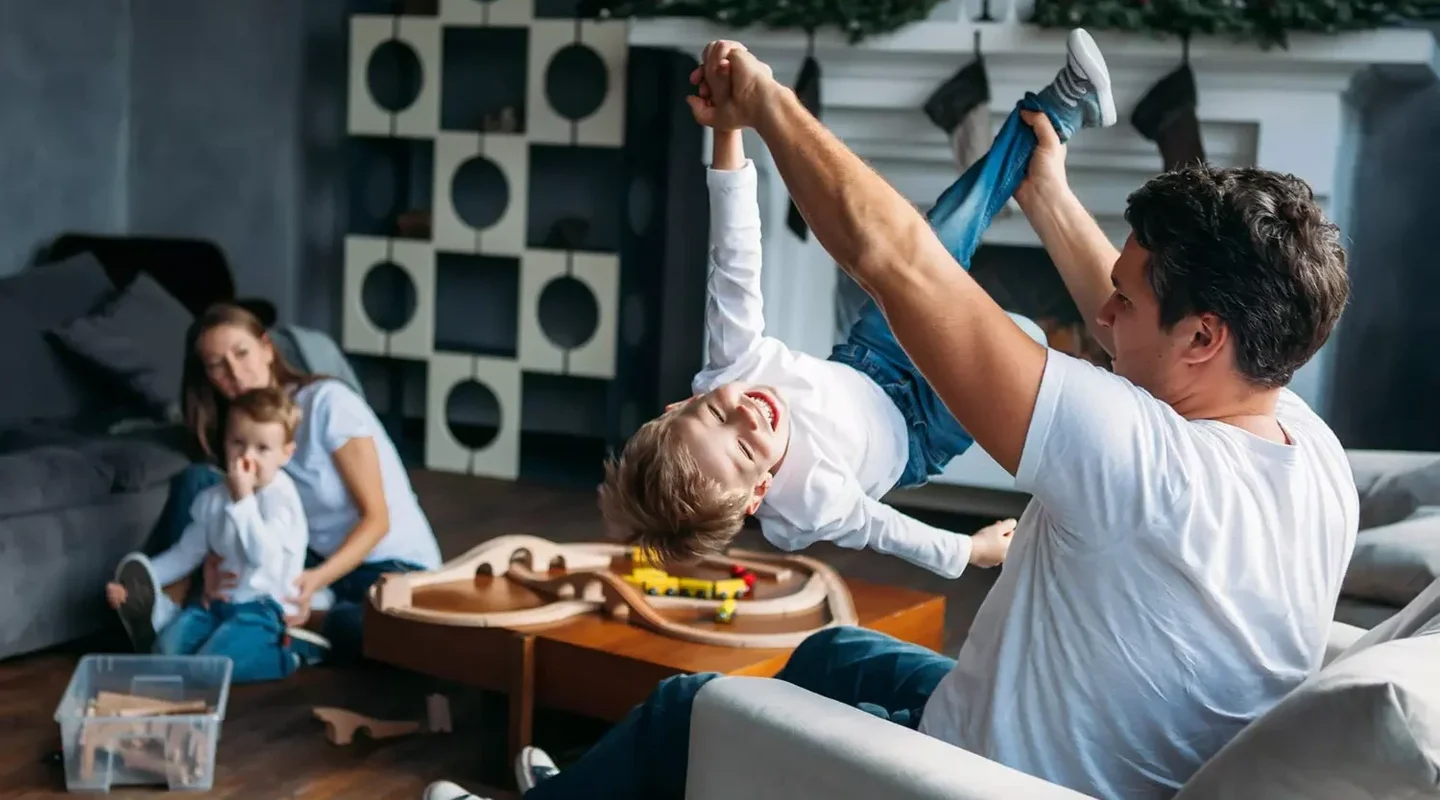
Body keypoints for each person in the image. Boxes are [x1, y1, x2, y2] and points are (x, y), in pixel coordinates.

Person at [426, 25, 1359, 800]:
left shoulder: (1144, 465)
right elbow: (1144, 345)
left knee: (687, 710)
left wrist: (762, 106)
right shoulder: (1309, 451)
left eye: (1126, 301)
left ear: (1203, 338)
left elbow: (899, 261)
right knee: (834, 652)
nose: (1102, 320)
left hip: (980, 779)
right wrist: (1043, 193)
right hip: (1104, 763)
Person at [595, 34, 1115, 580]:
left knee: (933, 238)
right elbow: (888, 530)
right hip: (926, 425)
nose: (745, 415)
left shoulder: (732, 365)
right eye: (746, 451)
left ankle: (1059, 110)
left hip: (874, 354)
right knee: (1029, 341)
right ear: (759, 492)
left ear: (681, 404)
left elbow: (733, 257)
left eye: (715, 413)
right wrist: (970, 551)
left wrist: (728, 128)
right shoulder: (810, 505)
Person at [133, 303, 443, 661]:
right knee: (199, 479)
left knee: (383, 632)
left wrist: (315, 581)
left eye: (242, 353)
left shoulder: (328, 403)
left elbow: (377, 520)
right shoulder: (236, 430)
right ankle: (178, 605)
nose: (234, 372)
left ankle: (302, 627)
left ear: (267, 349)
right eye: (217, 364)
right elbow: (237, 515)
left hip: (388, 566)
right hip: (311, 557)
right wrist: (213, 564)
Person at [107, 387, 329, 681]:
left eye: (262, 448)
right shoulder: (212, 499)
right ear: (225, 442)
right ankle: (169, 616)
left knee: (213, 667)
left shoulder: (282, 499)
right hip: (218, 601)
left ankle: (289, 653)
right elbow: (186, 553)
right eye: (238, 443)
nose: (247, 457)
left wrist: (243, 499)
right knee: (163, 652)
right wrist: (141, 581)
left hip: (264, 607)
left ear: (286, 454)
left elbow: (262, 557)